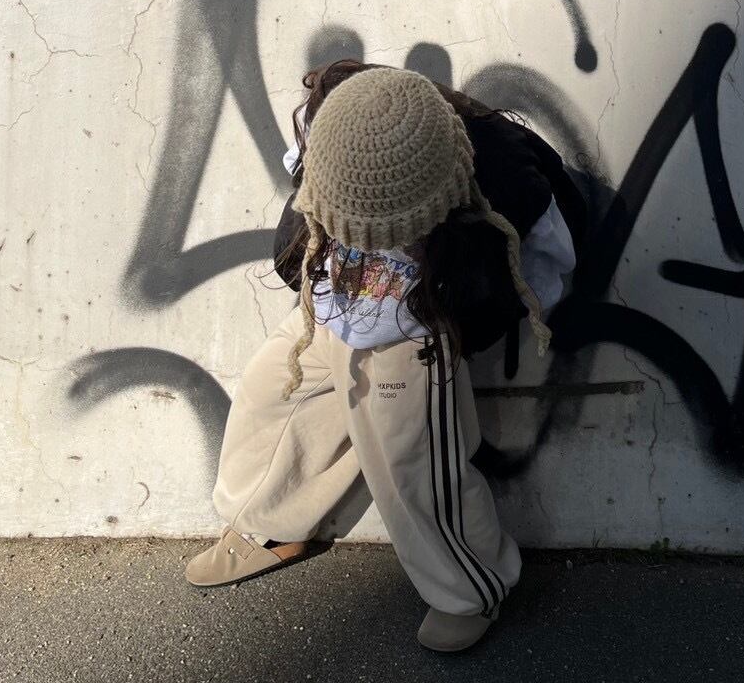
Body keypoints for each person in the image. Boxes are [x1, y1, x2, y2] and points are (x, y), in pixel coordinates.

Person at [185, 61, 583, 652]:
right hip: (342, 293)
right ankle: (271, 522)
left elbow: (542, 273)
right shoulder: (342, 120)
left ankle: (469, 586)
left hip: (427, 309)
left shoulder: (503, 178)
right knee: (272, 389)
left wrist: (449, 328)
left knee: (410, 456)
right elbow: (299, 220)